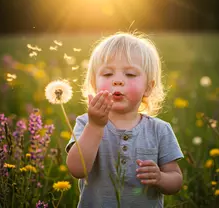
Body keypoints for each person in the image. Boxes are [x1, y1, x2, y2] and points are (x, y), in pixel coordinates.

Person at [66, 32, 184, 208]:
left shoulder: (160, 130)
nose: (118, 81)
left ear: (148, 88)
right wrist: (96, 126)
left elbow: (176, 180)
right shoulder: (86, 123)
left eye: (130, 74)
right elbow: (77, 169)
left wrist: (160, 178)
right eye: (107, 74)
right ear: (93, 84)